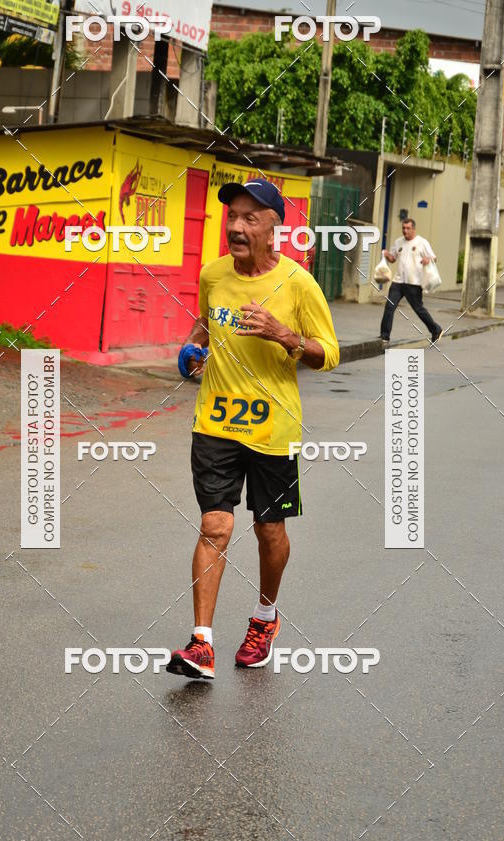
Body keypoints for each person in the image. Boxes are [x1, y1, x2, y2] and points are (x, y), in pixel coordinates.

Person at [166, 179, 340, 680]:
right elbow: (204, 321)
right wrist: (193, 348)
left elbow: (329, 354)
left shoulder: (298, 283)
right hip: (215, 423)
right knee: (215, 526)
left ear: (273, 229)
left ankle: (265, 618)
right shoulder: (213, 273)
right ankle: (201, 644)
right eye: (233, 217)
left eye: (249, 219)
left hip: (273, 430)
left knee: (269, 531)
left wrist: (283, 334)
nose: (236, 227)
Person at [379, 218, 443, 344]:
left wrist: (427, 260)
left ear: (413, 229)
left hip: (414, 283)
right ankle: (384, 336)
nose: (405, 231)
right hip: (398, 282)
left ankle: (436, 329)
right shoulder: (398, 242)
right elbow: (393, 259)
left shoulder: (422, 242)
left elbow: (433, 258)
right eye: (403, 228)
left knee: (418, 309)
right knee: (389, 307)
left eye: (408, 228)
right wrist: (387, 255)